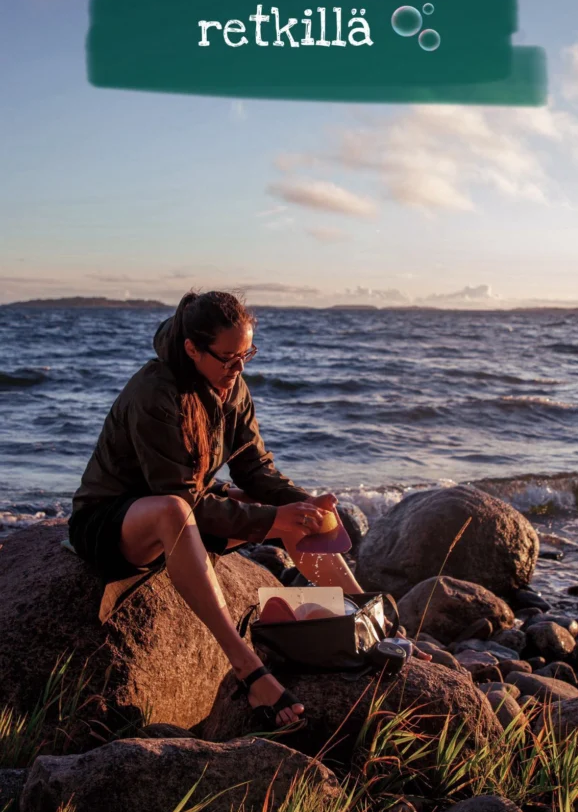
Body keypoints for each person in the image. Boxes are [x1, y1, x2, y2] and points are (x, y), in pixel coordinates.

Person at [69, 289, 364, 728]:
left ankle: (361, 619)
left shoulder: (231, 385)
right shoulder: (155, 392)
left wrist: (299, 503)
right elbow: (181, 498)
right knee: (175, 510)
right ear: (192, 348)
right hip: (115, 519)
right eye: (229, 358)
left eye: (247, 355)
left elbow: (255, 467)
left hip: (187, 508)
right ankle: (248, 668)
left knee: (296, 514)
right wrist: (268, 520)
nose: (239, 368)